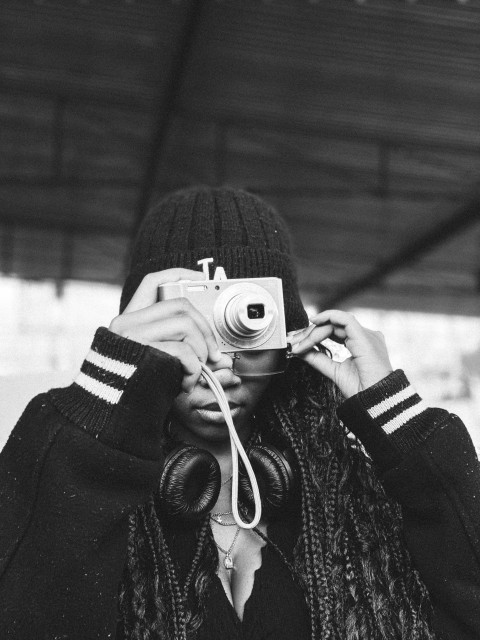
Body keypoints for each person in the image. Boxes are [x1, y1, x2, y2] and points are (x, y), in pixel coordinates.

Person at [0, 186, 479, 640]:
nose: (221, 362)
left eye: (247, 323)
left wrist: (400, 420)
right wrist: (101, 402)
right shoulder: (92, 498)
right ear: (142, 334)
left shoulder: (353, 496)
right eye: (188, 328)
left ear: (289, 336)